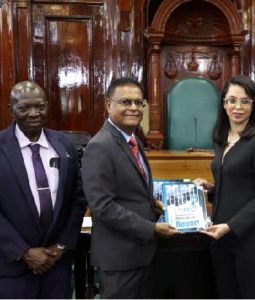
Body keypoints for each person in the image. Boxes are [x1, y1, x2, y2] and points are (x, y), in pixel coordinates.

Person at [0, 81, 86, 298]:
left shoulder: (64, 144)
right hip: (12, 266)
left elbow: (77, 199)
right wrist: (24, 252)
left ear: (47, 105)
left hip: (57, 264)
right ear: (11, 110)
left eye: (40, 106)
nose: (33, 113)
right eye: (24, 108)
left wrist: (61, 246)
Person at [81, 77, 180, 298]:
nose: (134, 108)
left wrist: (152, 204)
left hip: (140, 253)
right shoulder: (100, 146)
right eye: (126, 102)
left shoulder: (132, 140)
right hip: (120, 258)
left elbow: (129, 192)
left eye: (138, 102)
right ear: (108, 104)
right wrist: (151, 228)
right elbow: (103, 207)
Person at [194, 75, 255, 298]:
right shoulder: (221, 140)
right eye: (231, 100)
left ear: (253, 106)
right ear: (223, 104)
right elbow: (239, 186)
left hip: (250, 242)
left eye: (245, 101)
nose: (238, 107)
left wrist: (230, 226)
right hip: (220, 240)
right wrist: (211, 189)